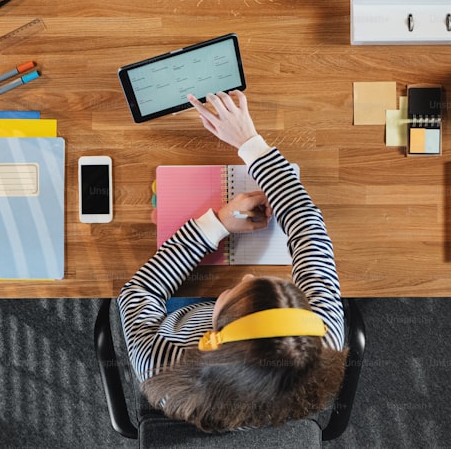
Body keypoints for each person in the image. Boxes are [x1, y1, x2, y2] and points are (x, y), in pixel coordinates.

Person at [118, 90, 347, 433]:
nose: (248, 275)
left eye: (240, 290)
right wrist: (250, 143)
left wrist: (218, 224)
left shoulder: (160, 366)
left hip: (180, 313)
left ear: (214, 336)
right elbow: (308, 228)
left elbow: (139, 291)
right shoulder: (317, 339)